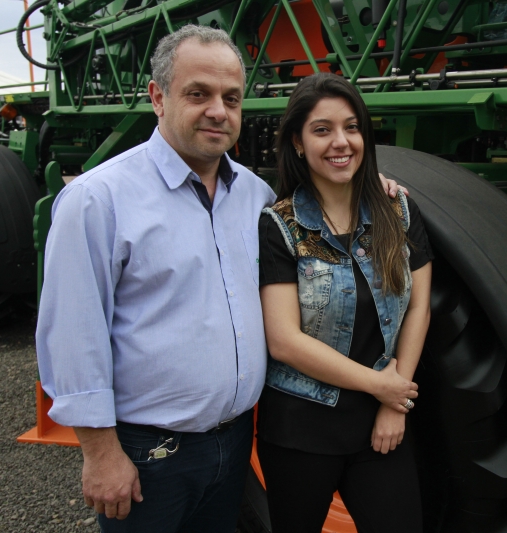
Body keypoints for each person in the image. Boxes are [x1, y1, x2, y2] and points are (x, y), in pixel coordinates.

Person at [35, 25, 404, 533]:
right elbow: (73, 336)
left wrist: (371, 186)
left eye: (231, 98)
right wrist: (101, 455)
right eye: (198, 94)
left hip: (233, 446)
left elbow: (326, 200)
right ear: (158, 98)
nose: (218, 110)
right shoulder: (99, 200)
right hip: (149, 453)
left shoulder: (255, 198)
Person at [256, 73, 433, 533]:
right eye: (322, 130)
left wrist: (395, 404)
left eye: (352, 127)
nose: (341, 142)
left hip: (381, 423)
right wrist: (383, 387)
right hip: (301, 428)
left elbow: (418, 307)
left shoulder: (398, 211)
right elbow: (284, 341)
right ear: (297, 142)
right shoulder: (280, 226)